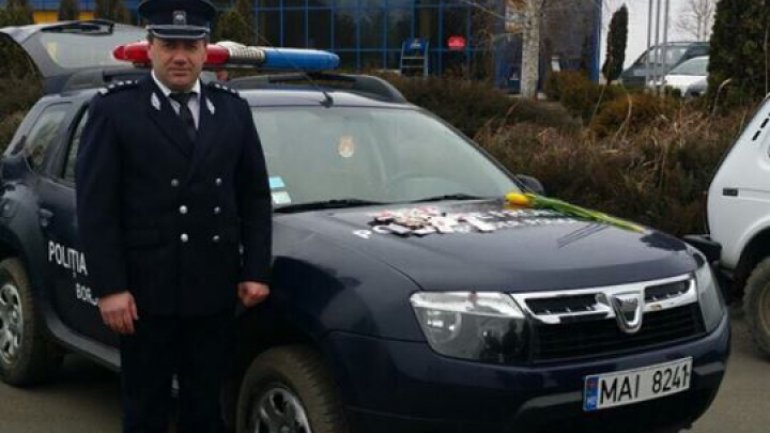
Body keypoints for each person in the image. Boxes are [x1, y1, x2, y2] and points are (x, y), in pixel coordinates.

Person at [75, 1, 272, 432]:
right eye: (168, 44)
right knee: (146, 408)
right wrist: (110, 288)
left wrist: (255, 269)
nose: (180, 56)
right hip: (145, 298)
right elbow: (96, 208)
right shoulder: (115, 110)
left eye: (191, 44)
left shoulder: (234, 110)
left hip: (213, 292)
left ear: (206, 51)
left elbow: (255, 196)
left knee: (205, 406)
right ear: (149, 48)